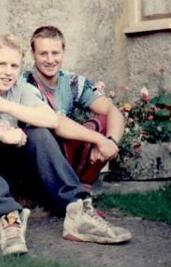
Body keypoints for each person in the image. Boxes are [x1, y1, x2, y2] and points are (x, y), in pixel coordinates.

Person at [0, 33, 131, 256]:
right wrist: (2, 134)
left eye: (14, 65)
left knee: (39, 133)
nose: (8, 71)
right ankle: (9, 219)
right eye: (2, 64)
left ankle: (77, 211)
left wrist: (4, 106)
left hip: (3, 164)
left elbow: (51, 119)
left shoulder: (20, 88)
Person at [23, 26, 125, 185]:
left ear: (63, 52)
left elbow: (112, 110)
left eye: (55, 53)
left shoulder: (73, 82)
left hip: (66, 152)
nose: (50, 60)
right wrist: (99, 140)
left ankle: (84, 187)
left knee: (105, 120)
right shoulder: (25, 84)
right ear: (33, 54)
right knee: (40, 132)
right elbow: (56, 122)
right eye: (43, 53)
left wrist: (110, 142)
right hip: (36, 158)